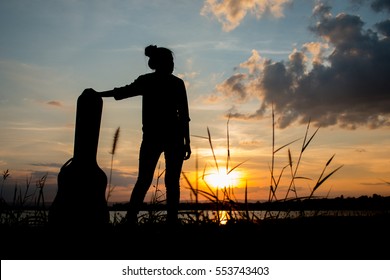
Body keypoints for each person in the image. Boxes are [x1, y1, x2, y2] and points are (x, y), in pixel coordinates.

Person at [89, 45, 191, 226]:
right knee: (160, 181)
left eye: (173, 62)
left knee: (154, 181)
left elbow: (183, 114)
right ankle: (144, 220)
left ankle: (148, 220)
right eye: (170, 61)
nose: (173, 65)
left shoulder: (166, 82)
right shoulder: (165, 82)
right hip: (162, 138)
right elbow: (122, 92)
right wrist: (98, 94)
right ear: (161, 63)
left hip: (164, 138)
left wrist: (187, 142)